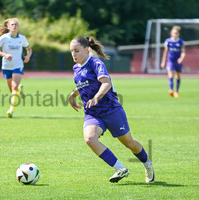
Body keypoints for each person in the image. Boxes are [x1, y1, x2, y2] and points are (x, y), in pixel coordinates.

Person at [68, 36, 155, 183]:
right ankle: (120, 168)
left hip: (111, 110)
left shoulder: (96, 63)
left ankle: (148, 165)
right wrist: (72, 95)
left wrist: (97, 97)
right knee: (89, 138)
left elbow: (105, 82)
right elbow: (84, 82)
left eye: (77, 51)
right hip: (93, 113)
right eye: (71, 51)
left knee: (129, 143)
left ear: (87, 49)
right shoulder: (76, 68)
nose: (73, 54)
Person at [0, 18, 32, 118]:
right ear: (8, 27)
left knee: (14, 87)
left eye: (16, 25)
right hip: (6, 66)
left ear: (18, 27)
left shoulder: (22, 38)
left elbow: (29, 49)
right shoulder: (4, 38)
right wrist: (5, 54)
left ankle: (11, 110)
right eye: (12, 24)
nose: (14, 26)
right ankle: (19, 89)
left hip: (18, 65)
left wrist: (28, 56)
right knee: (12, 90)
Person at [161, 25, 186, 98]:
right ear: (171, 33)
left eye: (176, 33)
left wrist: (181, 58)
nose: (175, 34)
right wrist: (163, 62)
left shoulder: (181, 41)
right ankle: (171, 90)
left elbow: (183, 52)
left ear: (178, 34)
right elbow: (165, 52)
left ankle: (176, 91)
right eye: (174, 33)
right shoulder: (168, 41)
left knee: (178, 76)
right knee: (171, 75)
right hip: (170, 61)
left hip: (178, 61)